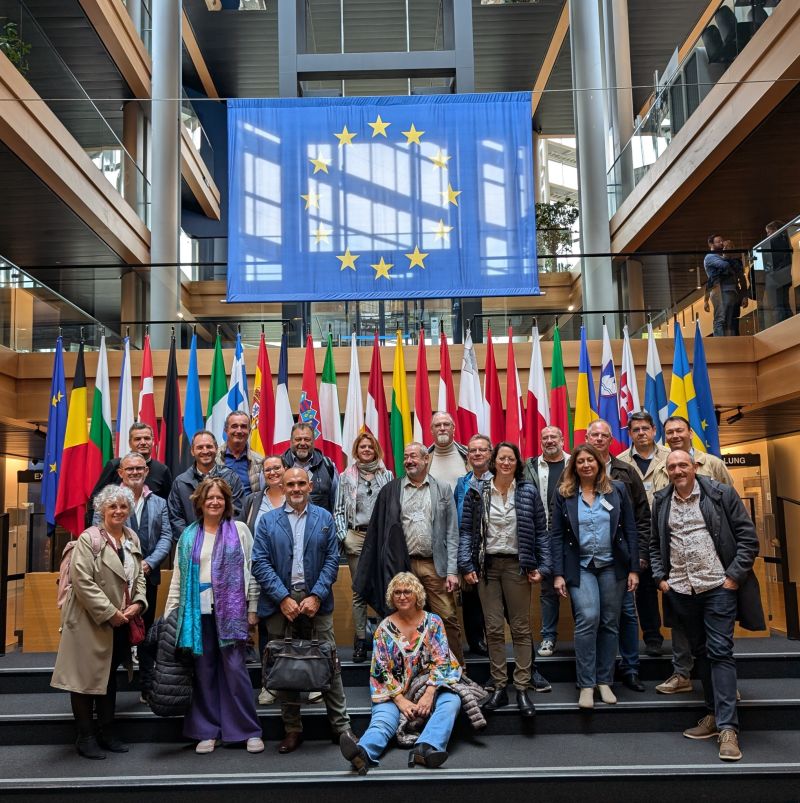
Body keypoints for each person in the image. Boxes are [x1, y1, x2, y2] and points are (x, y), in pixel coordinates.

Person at [650, 450, 764, 762]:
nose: (677, 470)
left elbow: (748, 538)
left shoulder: (720, 493)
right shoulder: (662, 500)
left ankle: (728, 728)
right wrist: (661, 578)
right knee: (700, 652)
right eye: (672, 466)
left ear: (695, 466)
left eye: (683, 465)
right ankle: (713, 715)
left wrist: (733, 577)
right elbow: (655, 543)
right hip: (681, 590)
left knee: (720, 652)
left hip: (717, 587)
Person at [251, 467, 355, 754]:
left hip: (315, 602)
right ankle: (292, 729)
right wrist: (282, 597)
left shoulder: (324, 518)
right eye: (290, 484)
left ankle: (342, 727)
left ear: (310, 486)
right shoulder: (268, 521)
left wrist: (317, 595)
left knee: (330, 664)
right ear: (282, 488)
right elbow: (259, 562)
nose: (296, 488)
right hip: (280, 604)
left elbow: (332, 560)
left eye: (301, 483)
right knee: (285, 667)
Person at [165, 477, 264, 755]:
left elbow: (252, 571)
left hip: (232, 613)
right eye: (209, 497)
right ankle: (208, 730)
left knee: (235, 670)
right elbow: (178, 577)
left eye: (220, 497)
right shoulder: (188, 535)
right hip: (197, 613)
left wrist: (253, 608)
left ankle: (247, 730)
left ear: (227, 502)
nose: (215, 502)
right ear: (200, 501)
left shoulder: (240, 530)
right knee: (204, 671)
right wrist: (171, 612)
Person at [51, 485, 147, 759]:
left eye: (123, 506)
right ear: (102, 509)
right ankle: (85, 737)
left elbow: (139, 576)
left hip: (121, 622)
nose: (118, 511)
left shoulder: (132, 538)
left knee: (108, 678)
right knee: (83, 682)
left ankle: (107, 733)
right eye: (112, 506)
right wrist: (110, 613)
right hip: (89, 622)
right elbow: (82, 582)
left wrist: (139, 603)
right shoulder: (88, 539)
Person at [459, 442, 551, 717]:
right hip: (487, 568)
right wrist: (466, 565)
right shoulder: (477, 491)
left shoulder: (527, 491)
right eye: (502, 458)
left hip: (517, 567)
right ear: (494, 461)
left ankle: (521, 686)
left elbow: (541, 531)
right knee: (494, 629)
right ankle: (499, 686)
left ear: (517, 462)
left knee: (521, 628)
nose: (506, 463)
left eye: (511, 458)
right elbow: (466, 531)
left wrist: (544, 566)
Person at [339, 572, 462, 775]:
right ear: (391, 596)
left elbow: (442, 660)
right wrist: (400, 700)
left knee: (451, 701)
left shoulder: (433, 622)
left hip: (427, 685)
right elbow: (380, 670)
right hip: (394, 691)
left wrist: (429, 692)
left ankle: (426, 748)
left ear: (417, 595)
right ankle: (362, 753)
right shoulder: (383, 629)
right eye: (397, 592)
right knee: (384, 719)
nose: (402, 596)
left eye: (407, 592)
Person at [354, 442, 464, 666]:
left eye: (414, 456)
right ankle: (408, 671)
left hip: (434, 565)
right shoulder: (391, 491)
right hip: (401, 567)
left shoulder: (442, 489)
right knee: (404, 620)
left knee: (447, 617)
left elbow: (452, 532)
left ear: (426, 459)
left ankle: (456, 670)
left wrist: (452, 571)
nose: (409, 461)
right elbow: (379, 533)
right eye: (406, 457)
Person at [551, 444, 639, 709]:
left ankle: (604, 680)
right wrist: (558, 574)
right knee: (588, 618)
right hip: (580, 567)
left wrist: (634, 568)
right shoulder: (564, 493)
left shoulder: (617, 490)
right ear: (574, 466)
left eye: (591, 460)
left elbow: (631, 530)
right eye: (581, 461)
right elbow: (556, 535)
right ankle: (587, 684)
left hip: (613, 566)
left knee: (610, 622)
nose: (586, 465)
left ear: (599, 464)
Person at [652, 415, 736, 696]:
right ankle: (683, 674)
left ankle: (723, 689)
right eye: (669, 432)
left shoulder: (712, 463)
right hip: (678, 575)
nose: (675, 435)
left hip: (715, 577)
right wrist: (660, 577)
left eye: (679, 430)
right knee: (684, 632)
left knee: (718, 645)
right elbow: (656, 532)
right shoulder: (662, 473)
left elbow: (733, 512)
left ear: (690, 432)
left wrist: (733, 575)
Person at [97, 451, 172, 704]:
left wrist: (149, 564)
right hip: (113, 580)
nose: (135, 472)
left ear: (147, 471)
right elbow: (99, 534)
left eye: (140, 468)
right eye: (129, 469)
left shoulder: (159, 502)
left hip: (148, 577)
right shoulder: (109, 499)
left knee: (146, 634)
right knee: (112, 634)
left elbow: (166, 536)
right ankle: (104, 690)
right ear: (120, 472)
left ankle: (147, 687)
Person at [586, 419, 651, 693]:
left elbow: (642, 517)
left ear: (611, 440)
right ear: (587, 438)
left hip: (621, 559)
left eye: (604, 435)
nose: (599, 439)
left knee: (626, 612)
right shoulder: (576, 470)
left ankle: (631, 667)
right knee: (592, 616)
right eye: (595, 435)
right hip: (588, 559)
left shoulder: (626, 470)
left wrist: (640, 555)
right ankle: (597, 673)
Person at [333, 431, 394, 662]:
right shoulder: (345, 477)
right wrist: (344, 536)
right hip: (356, 536)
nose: (366, 450)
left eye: (370, 446)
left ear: (375, 449)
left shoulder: (387, 475)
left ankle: (384, 640)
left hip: (380, 537)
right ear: (356, 451)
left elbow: (392, 507)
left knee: (383, 588)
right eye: (362, 447)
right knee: (359, 590)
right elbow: (338, 510)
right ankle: (360, 640)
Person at [617, 411, 671, 657]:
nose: (641, 433)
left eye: (645, 428)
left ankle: (685, 638)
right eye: (636, 430)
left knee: (675, 589)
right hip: (636, 536)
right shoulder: (620, 463)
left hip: (670, 536)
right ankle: (652, 638)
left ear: (654, 430)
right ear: (629, 433)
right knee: (644, 590)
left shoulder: (671, 457)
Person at [238, 454, 287, 705]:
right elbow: (243, 534)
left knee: (297, 630)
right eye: (268, 469)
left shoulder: (295, 494)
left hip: (292, 574)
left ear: (285, 469)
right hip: (261, 575)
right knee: (267, 631)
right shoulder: (253, 500)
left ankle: (304, 680)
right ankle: (270, 683)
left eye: (277, 468)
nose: (273, 472)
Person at [523, 425, 570, 657]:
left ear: (562, 440)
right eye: (545, 438)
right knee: (548, 591)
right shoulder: (530, 466)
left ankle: (586, 637)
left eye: (554, 437)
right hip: (542, 538)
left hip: (572, 538)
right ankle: (548, 637)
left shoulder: (574, 463)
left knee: (579, 589)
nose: (549, 441)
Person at [86, 423, 173, 525]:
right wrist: (95, 529)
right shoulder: (115, 466)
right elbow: (96, 500)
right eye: (137, 439)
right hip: (116, 528)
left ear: (153, 441)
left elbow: (168, 505)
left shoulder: (162, 470)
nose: (143, 442)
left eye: (147, 438)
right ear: (130, 443)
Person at [167, 430, 245, 542]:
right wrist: (191, 541)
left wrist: (219, 539)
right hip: (191, 545)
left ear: (216, 448)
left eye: (209, 446)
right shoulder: (180, 482)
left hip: (224, 543)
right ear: (192, 451)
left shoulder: (231, 478)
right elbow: (175, 518)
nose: (205, 451)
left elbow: (237, 512)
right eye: (200, 447)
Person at [454, 434, 492, 658]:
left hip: (492, 547)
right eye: (473, 450)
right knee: (471, 599)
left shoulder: (499, 478)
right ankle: (476, 642)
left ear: (490, 453)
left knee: (493, 600)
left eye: (482, 450)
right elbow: (457, 516)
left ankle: (492, 642)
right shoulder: (462, 483)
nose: (477, 454)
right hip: (468, 547)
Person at [281, 422, 339, 512]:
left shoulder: (327, 464)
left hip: (321, 520)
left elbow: (337, 499)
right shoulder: (279, 465)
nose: (302, 443)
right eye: (298, 439)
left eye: (307, 439)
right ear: (291, 441)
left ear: (313, 441)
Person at [704, 234, 744, 337]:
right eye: (718, 241)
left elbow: (739, 273)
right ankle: (720, 341)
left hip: (731, 291)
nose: (721, 243)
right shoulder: (710, 257)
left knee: (730, 320)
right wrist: (728, 255)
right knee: (721, 318)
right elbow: (724, 265)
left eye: (722, 241)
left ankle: (730, 341)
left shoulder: (723, 257)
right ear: (711, 244)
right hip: (719, 290)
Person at [217, 410, 265, 494]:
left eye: (243, 426)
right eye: (234, 426)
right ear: (226, 430)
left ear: (249, 430)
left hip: (250, 502)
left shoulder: (260, 461)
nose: (239, 431)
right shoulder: (214, 457)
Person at [761, 220, 793, 326]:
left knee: (777, 305)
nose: (767, 235)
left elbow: (768, 260)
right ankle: (791, 326)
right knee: (785, 303)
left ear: (775, 230)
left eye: (768, 232)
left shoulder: (772, 241)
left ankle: (783, 328)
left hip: (775, 277)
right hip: (786, 275)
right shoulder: (786, 240)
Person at [427, 411, 469, 490]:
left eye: (446, 424)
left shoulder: (469, 454)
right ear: (432, 430)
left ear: (453, 428)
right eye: (437, 425)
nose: (442, 428)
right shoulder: (424, 457)